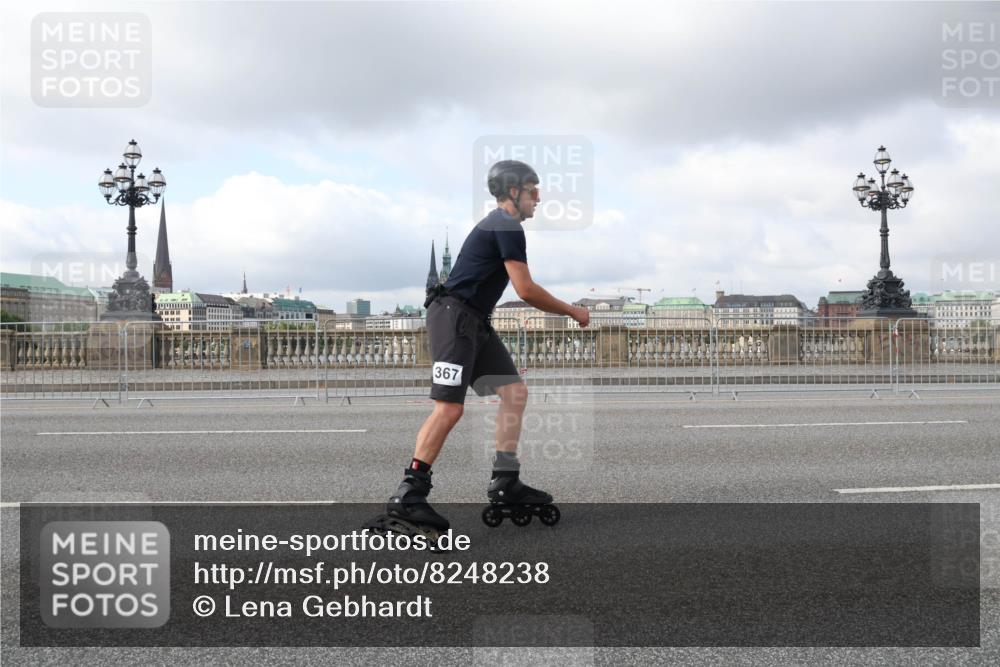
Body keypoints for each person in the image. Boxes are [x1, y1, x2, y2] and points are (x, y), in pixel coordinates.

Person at [385, 160, 590, 531]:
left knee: (514, 392)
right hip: (455, 317)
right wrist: (571, 311)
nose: (538, 198)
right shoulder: (505, 223)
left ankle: (505, 480)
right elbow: (524, 289)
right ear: (513, 192)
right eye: (533, 189)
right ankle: (409, 494)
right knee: (449, 409)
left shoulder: (503, 225)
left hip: (474, 320)